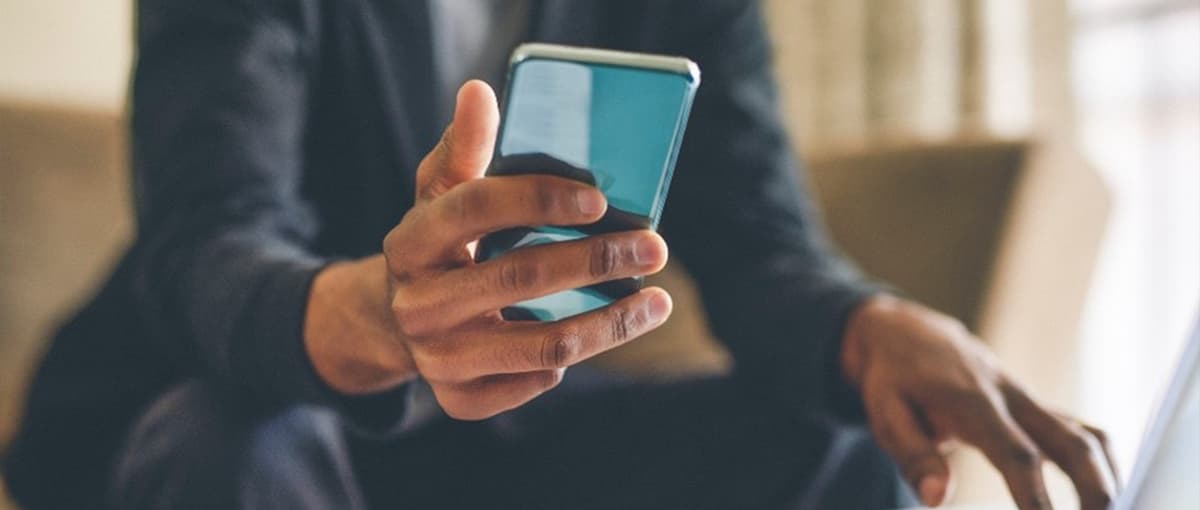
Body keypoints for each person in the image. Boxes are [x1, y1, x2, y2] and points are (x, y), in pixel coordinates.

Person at [3, 1, 1118, 509]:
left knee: (840, 457)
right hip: (251, 397)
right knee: (227, 450)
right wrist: (389, 319)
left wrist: (870, 326)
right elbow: (207, 239)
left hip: (510, 430)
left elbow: (760, 245)